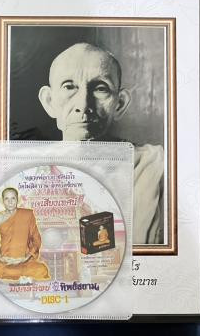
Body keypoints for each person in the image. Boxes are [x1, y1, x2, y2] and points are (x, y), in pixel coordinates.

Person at [38, 42, 164, 244]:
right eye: (69, 86)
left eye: (100, 88)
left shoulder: (152, 165)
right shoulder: (28, 170)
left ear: (119, 104)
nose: (83, 105)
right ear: (49, 101)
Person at [0, 188, 50, 281]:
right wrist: (0, 257)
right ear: (2, 201)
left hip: (24, 261)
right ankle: (14, 273)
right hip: (5, 260)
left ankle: (11, 273)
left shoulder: (27, 215)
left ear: (17, 200)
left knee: (42, 269)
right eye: (7, 199)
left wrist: (26, 258)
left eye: (13, 198)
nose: (10, 202)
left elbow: (36, 240)